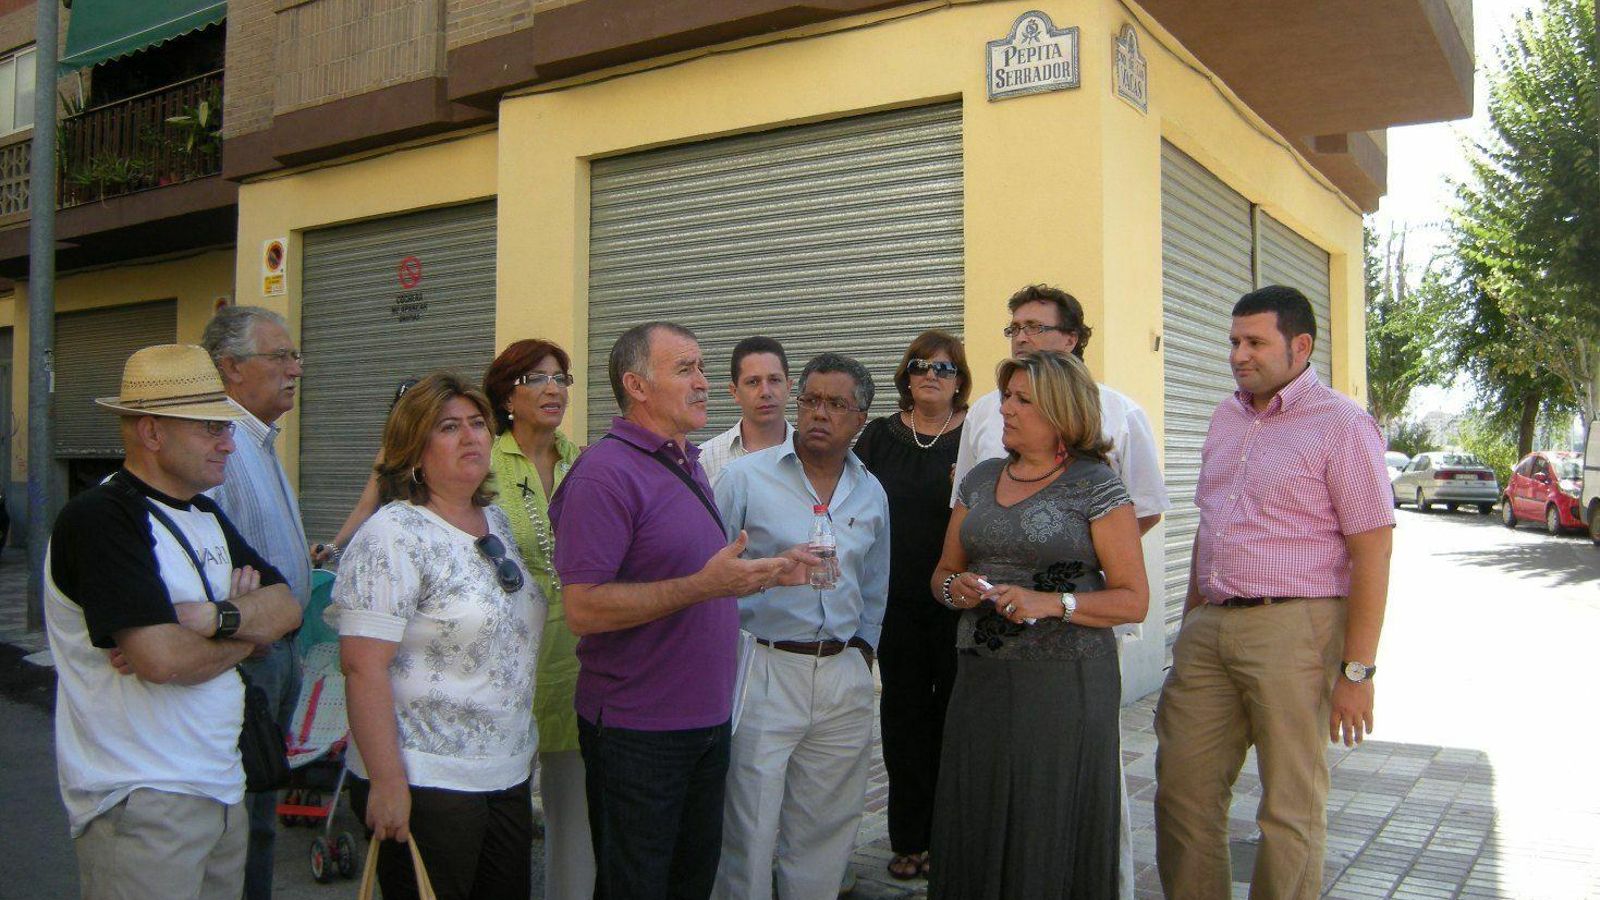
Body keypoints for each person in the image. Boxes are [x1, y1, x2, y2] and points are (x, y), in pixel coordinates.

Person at [549, 321, 811, 900]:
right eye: (685, 368)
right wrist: (703, 585)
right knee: (636, 886)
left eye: (702, 367)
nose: (704, 382)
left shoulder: (686, 460)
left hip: (704, 722)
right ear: (636, 385)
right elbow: (583, 608)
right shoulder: (605, 473)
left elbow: (699, 580)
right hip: (638, 732)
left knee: (689, 884)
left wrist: (765, 573)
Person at [1154, 286, 1394, 900]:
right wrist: (1189, 624)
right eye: (1234, 341)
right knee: (1183, 793)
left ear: (1301, 345)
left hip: (1297, 628)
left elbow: (1372, 548)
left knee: (1288, 808)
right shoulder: (1225, 415)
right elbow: (1213, 525)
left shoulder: (1341, 424)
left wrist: (1357, 671)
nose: (1239, 354)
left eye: (1255, 342)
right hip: (1210, 624)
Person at [44, 344, 302, 900]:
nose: (229, 443)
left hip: (221, 785)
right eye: (211, 428)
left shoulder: (205, 513)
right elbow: (161, 661)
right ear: (152, 433)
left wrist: (213, 619)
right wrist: (248, 637)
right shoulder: (102, 519)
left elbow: (288, 607)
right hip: (143, 798)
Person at [950, 283, 1172, 898]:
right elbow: (956, 544)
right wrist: (958, 585)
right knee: (986, 802)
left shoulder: (1110, 442)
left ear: (1070, 341)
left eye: (1035, 327)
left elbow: (1138, 538)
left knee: (1062, 807)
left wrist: (1067, 579)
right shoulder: (984, 451)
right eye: (1013, 326)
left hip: (1069, 659)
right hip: (986, 665)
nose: (1022, 336)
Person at [334, 372, 545, 900]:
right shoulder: (393, 535)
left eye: (478, 424)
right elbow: (362, 666)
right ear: (414, 449)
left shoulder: (494, 521)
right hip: (427, 777)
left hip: (505, 769)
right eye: (449, 427)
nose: (471, 437)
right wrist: (386, 783)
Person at [711, 353, 891, 900]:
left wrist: (862, 653)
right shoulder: (743, 479)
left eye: (836, 404)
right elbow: (707, 576)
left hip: (842, 676)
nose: (819, 413)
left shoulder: (871, 492)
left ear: (860, 418)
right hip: (764, 667)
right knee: (747, 825)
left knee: (826, 828)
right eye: (810, 399)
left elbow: (876, 587)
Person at [200, 305, 313, 900]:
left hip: (280, 651)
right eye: (280, 357)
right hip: (250, 657)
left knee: (263, 807)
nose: (295, 369)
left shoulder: (259, 442)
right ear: (231, 369)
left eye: (296, 356)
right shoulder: (221, 450)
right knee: (245, 818)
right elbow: (218, 574)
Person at [849, 330, 969, 880]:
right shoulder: (878, 437)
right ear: (906, 373)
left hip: (957, 598)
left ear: (960, 379)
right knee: (902, 716)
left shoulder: (977, 435)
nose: (930, 375)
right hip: (894, 599)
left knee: (954, 717)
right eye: (920, 365)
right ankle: (909, 837)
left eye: (943, 368)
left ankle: (951, 835)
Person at [481, 339, 592, 899]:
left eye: (561, 379)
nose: (553, 389)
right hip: (505, 665)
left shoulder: (585, 462)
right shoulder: (482, 463)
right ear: (506, 395)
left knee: (576, 815)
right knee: (500, 819)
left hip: (576, 661)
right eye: (536, 379)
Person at [699, 335, 794, 485]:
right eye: (753, 382)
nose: (765, 392)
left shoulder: (812, 456)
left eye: (774, 380)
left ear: (788, 387)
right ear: (734, 391)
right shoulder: (704, 461)